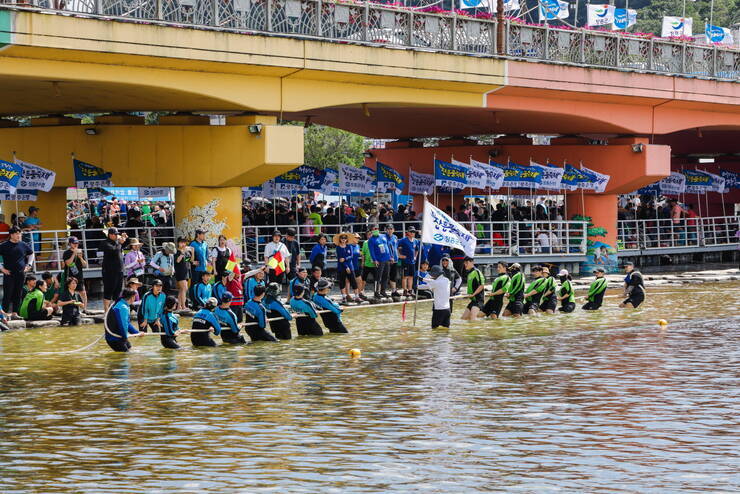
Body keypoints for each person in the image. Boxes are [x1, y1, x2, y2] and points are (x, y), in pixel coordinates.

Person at [0, 226, 35, 315]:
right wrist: (2, 268)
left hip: (21, 273)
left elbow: (31, 254)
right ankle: (4, 314)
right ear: (11, 235)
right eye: (16, 234)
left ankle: (15, 313)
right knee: (8, 294)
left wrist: (29, 265)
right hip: (9, 273)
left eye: (20, 233)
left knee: (18, 294)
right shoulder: (4, 245)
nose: (19, 235)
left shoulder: (23, 244)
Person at [104, 288, 144, 352]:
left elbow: (127, 323)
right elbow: (123, 325)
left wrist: (137, 333)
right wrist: (125, 338)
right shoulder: (123, 307)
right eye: (135, 297)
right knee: (125, 356)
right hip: (115, 338)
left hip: (119, 336)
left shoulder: (121, 303)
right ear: (132, 297)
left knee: (131, 350)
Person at [100, 227, 128, 311]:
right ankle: (106, 311)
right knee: (108, 290)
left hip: (119, 270)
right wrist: (119, 243)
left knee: (118, 291)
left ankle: (115, 309)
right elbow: (114, 250)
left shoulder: (117, 243)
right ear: (110, 235)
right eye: (115, 234)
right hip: (109, 271)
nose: (117, 236)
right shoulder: (105, 243)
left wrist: (125, 238)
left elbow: (126, 244)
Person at [62, 236, 88, 310]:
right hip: (70, 276)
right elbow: (68, 263)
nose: (76, 245)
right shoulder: (66, 253)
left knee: (83, 292)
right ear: (70, 244)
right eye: (74, 243)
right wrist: (74, 254)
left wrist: (81, 258)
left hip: (79, 275)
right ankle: (71, 309)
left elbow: (85, 265)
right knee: (70, 292)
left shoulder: (81, 252)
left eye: (77, 243)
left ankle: (85, 309)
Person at [367, 227, 391, 299]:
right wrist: (374, 260)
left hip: (387, 259)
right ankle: (376, 292)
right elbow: (371, 251)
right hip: (379, 260)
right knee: (378, 277)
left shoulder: (383, 236)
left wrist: (391, 256)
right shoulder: (371, 240)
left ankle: (383, 291)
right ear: (372, 231)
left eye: (377, 228)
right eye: (374, 229)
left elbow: (388, 245)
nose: (376, 230)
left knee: (386, 276)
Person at [334, 233, 358, 303]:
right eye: (342, 238)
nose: (343, 240)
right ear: (340, 239)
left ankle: (357, 296)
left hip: (350, 266)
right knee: (342, 282)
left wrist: (345, 259)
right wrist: (346, 266)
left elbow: (351, 256)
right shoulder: (338, 247)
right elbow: (339, 259)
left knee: (353, 281)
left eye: (345, 238)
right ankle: (344, 297)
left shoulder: (349, 246)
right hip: (341, 267)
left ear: (347, 239)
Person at [397, 226, 419, 299]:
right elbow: (395, 246)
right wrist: (399, 255)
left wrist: (415, 256)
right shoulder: (403, 240)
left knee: (411, 277)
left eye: (414, 232)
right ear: (408, 232)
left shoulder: (416, 241)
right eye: (411, 232)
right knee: (405, 276)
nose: (413, 233)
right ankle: (405, 290)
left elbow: (417, 249)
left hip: (412, 262)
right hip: (405, 261)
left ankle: (410, 290)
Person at [174, 237, 192, 309]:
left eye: (184, 242)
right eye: (181, 242)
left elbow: (188, 260)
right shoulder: (177, 252)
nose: (183, 244)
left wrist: (192, 252)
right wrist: (182, 253)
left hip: (186, 271)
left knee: (182, 289)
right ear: (178, 243)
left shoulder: (186, 252)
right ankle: (184, 306)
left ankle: (179, 306)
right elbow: (177, 261)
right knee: (185, 288)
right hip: (180, 272)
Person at [384, 224, 401, 297]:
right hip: (387, 260)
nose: (390, 230)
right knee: (385, 276)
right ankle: (382, 291)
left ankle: (394, 291)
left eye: (391, 229)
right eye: (388, 229)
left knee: (393, 276)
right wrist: (389, 257)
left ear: (393, 230)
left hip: (395, 259)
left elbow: (396, 248)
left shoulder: (395, 237)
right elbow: (384, 249)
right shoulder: (384, 238)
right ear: (386, 230)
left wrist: (398, 255)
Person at [359, 230, 376, 301]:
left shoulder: (376, 242)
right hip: (367, 264)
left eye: (371, 234)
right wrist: (362, 262)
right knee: (363, 279)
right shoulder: (365, 243)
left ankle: (376, 291)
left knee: (377, 279)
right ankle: (361, 291)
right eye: (368, 235)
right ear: (367, 236)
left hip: (375, 264)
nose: (370, 236)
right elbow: (363, 253)